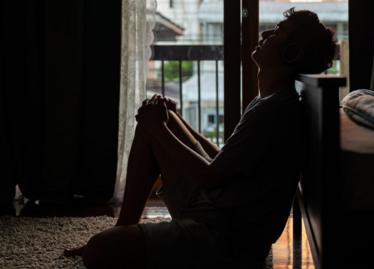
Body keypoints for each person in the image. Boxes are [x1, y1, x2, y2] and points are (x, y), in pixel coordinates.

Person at [65, 8, 336, 269]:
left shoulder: (274, 110)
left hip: (225, 239)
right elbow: (222, 162)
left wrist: (159, 127)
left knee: (100, 251)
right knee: (160, 120)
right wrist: (172, 119)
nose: (265, 33)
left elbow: (211, 175)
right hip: (217, 210)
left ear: (291, 53)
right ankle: (124, 228)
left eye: (278, 31)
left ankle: (125, 238)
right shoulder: (270, 101)